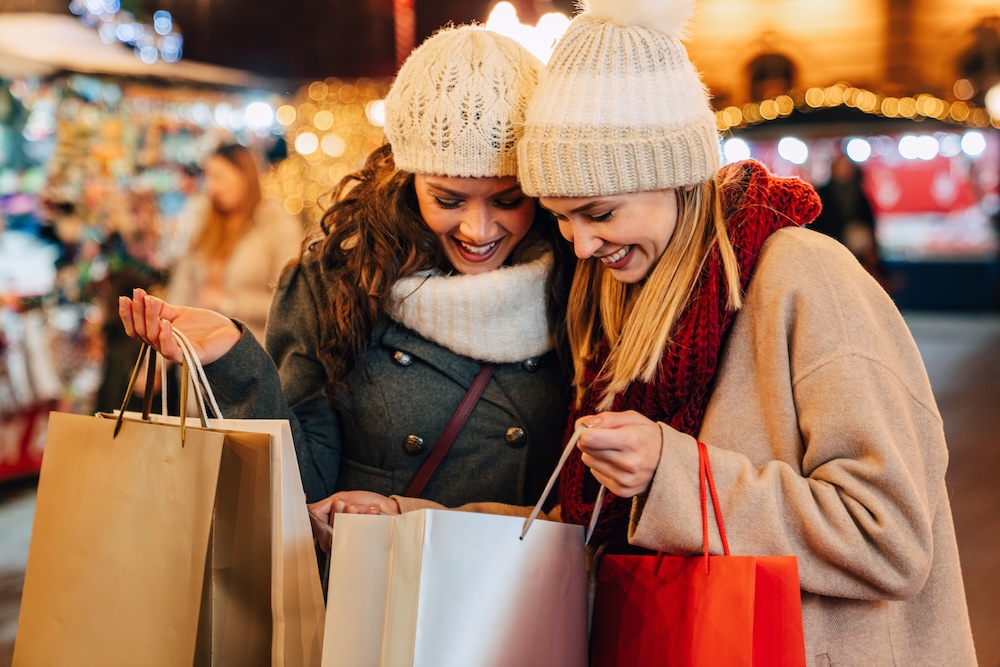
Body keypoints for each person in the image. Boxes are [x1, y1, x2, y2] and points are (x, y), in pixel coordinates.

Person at [510, 0, 975, 664]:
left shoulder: (805, 277)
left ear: (669, 172)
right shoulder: (620, 302)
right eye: (561, 218)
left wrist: (674, 472)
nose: (581, 244)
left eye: (599, 212)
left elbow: (889, 534)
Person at [118, 26, 574, 525]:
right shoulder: (334, 281)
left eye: (508, 201)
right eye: (448, 199)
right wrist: (235, 360)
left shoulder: (581, 279)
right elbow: (303, 486)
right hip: (384, 586)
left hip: (531, 586)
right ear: (406, 179)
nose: (478, 229)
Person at [165, 143, 303, 342]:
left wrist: (229, 303)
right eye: (208, 177)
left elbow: (290, 303)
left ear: (244, 176)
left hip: (250, 355)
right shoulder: (205, 220)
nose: (212, 187)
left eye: (219, 177)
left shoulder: (276, 224)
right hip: (196, 354)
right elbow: (182, 288)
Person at [811, 151, 889, 287]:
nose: (845, 170)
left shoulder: (860, 194)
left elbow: (869, 223)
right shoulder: (822, 193)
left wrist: (872, 249)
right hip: (830, 249)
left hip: (858, 252)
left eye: (847, 166)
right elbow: (815, 224)